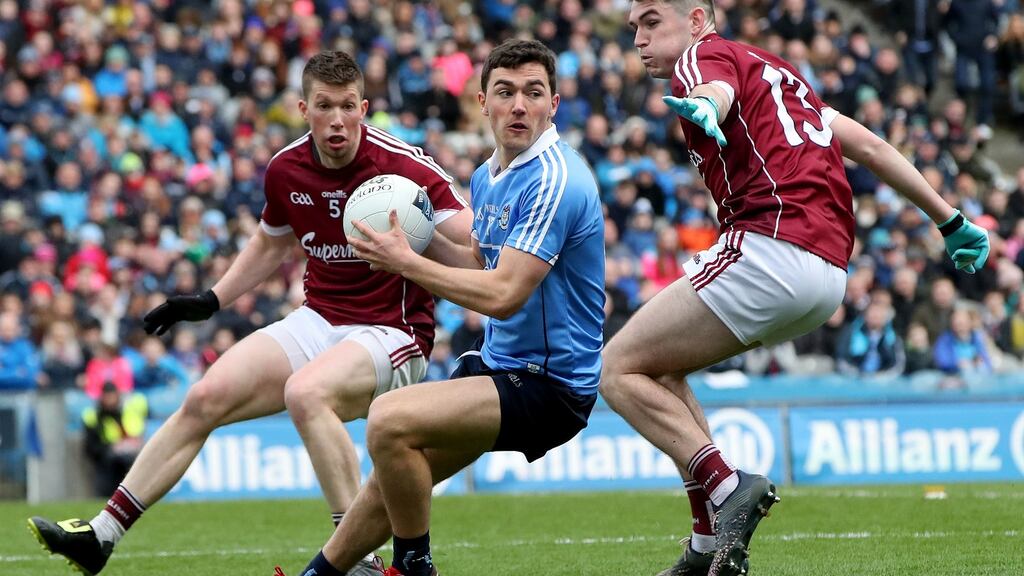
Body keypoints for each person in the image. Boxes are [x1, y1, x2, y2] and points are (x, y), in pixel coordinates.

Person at [28, 50, 472, 576]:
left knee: (306, 394)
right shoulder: (285, 168)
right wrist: (212, 299)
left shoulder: (405, 167)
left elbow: (476, 248)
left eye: (348, 107)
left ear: (365, 108)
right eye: (324, 106)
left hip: (392, 330)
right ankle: (101, 535)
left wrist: (433, 253)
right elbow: (270, 245)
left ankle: (359, 562)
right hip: (320, 318)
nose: (337, 120)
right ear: (303, 108)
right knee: (204, 397)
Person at [601, 3, 992, 576]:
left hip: (770, 246)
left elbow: (713, 87)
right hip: (828, 276)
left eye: (651, 20)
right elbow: (874, 148)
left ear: (696, 19)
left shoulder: (701, 55)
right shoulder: (782, 76)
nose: (638, 36)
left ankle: (728, 486)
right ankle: (708, 547)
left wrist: (708, 105)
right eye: (633, 25)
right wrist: (949, 219)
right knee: (660, 370)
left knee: (616, 369)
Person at [284, 38, 605, 576]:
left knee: (389, 420)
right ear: (482, 101)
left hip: (551, 384)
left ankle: (414, 566)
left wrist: (404, 262)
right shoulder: (489, 175)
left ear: (554, 103)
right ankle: (320, 574)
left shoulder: (556, 178)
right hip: (503, 365)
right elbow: (477, 258)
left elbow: (503, 295)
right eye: (505, 92)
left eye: (533, 92)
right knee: (395, 474)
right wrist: (405, 227)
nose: (519, 105)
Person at [83, 382, 148, 497]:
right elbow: (91, 447)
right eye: (107, 397)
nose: (110, 400)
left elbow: (137, 434)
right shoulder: (94, 416)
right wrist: (111, 448)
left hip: (128, 455)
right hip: (105, 459)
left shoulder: (128, 412)